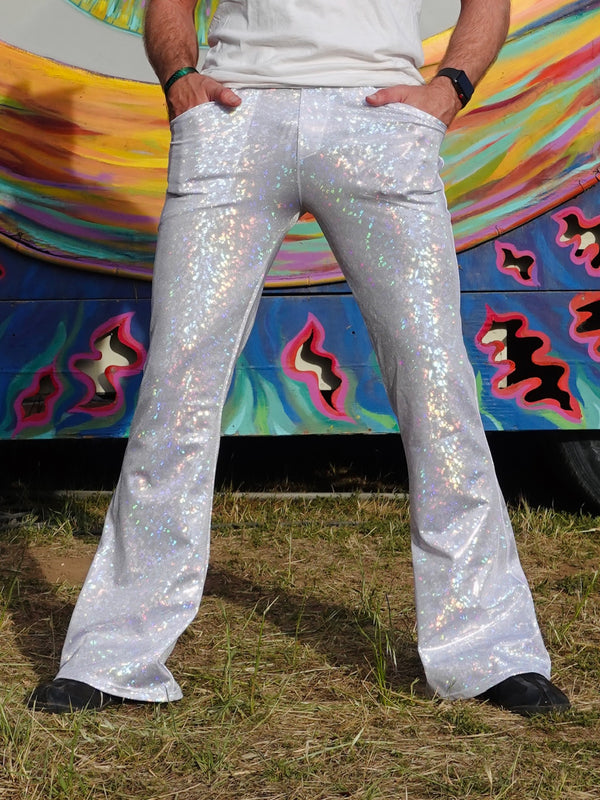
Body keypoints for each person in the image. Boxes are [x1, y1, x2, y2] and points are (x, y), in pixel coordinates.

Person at [29, 0, 570, 717]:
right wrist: (182, 81)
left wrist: (450, 89)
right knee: (175, 389)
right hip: (235, 115)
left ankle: (490, 651)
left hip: (378, 118)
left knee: (437, 386)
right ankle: (113, 657)